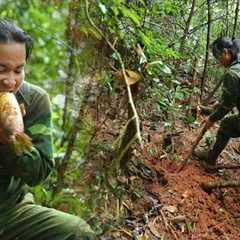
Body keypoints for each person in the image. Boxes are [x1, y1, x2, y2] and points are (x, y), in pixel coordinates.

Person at [0, 19, 95, 239]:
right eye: (1, 69)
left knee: (77, 233)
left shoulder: (34, 99)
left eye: (18, 70)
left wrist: (9, 141)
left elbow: (38, 173)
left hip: (10, 211)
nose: (10, 81)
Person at [195, 36, 240, 169]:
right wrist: (218, 103)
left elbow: (227, 105)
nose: (218, 60)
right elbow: (231, 96)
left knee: (226, 125)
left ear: (226, 52)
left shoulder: (232, 74)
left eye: (218, 56)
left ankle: (211, 160)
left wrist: (212, 119)